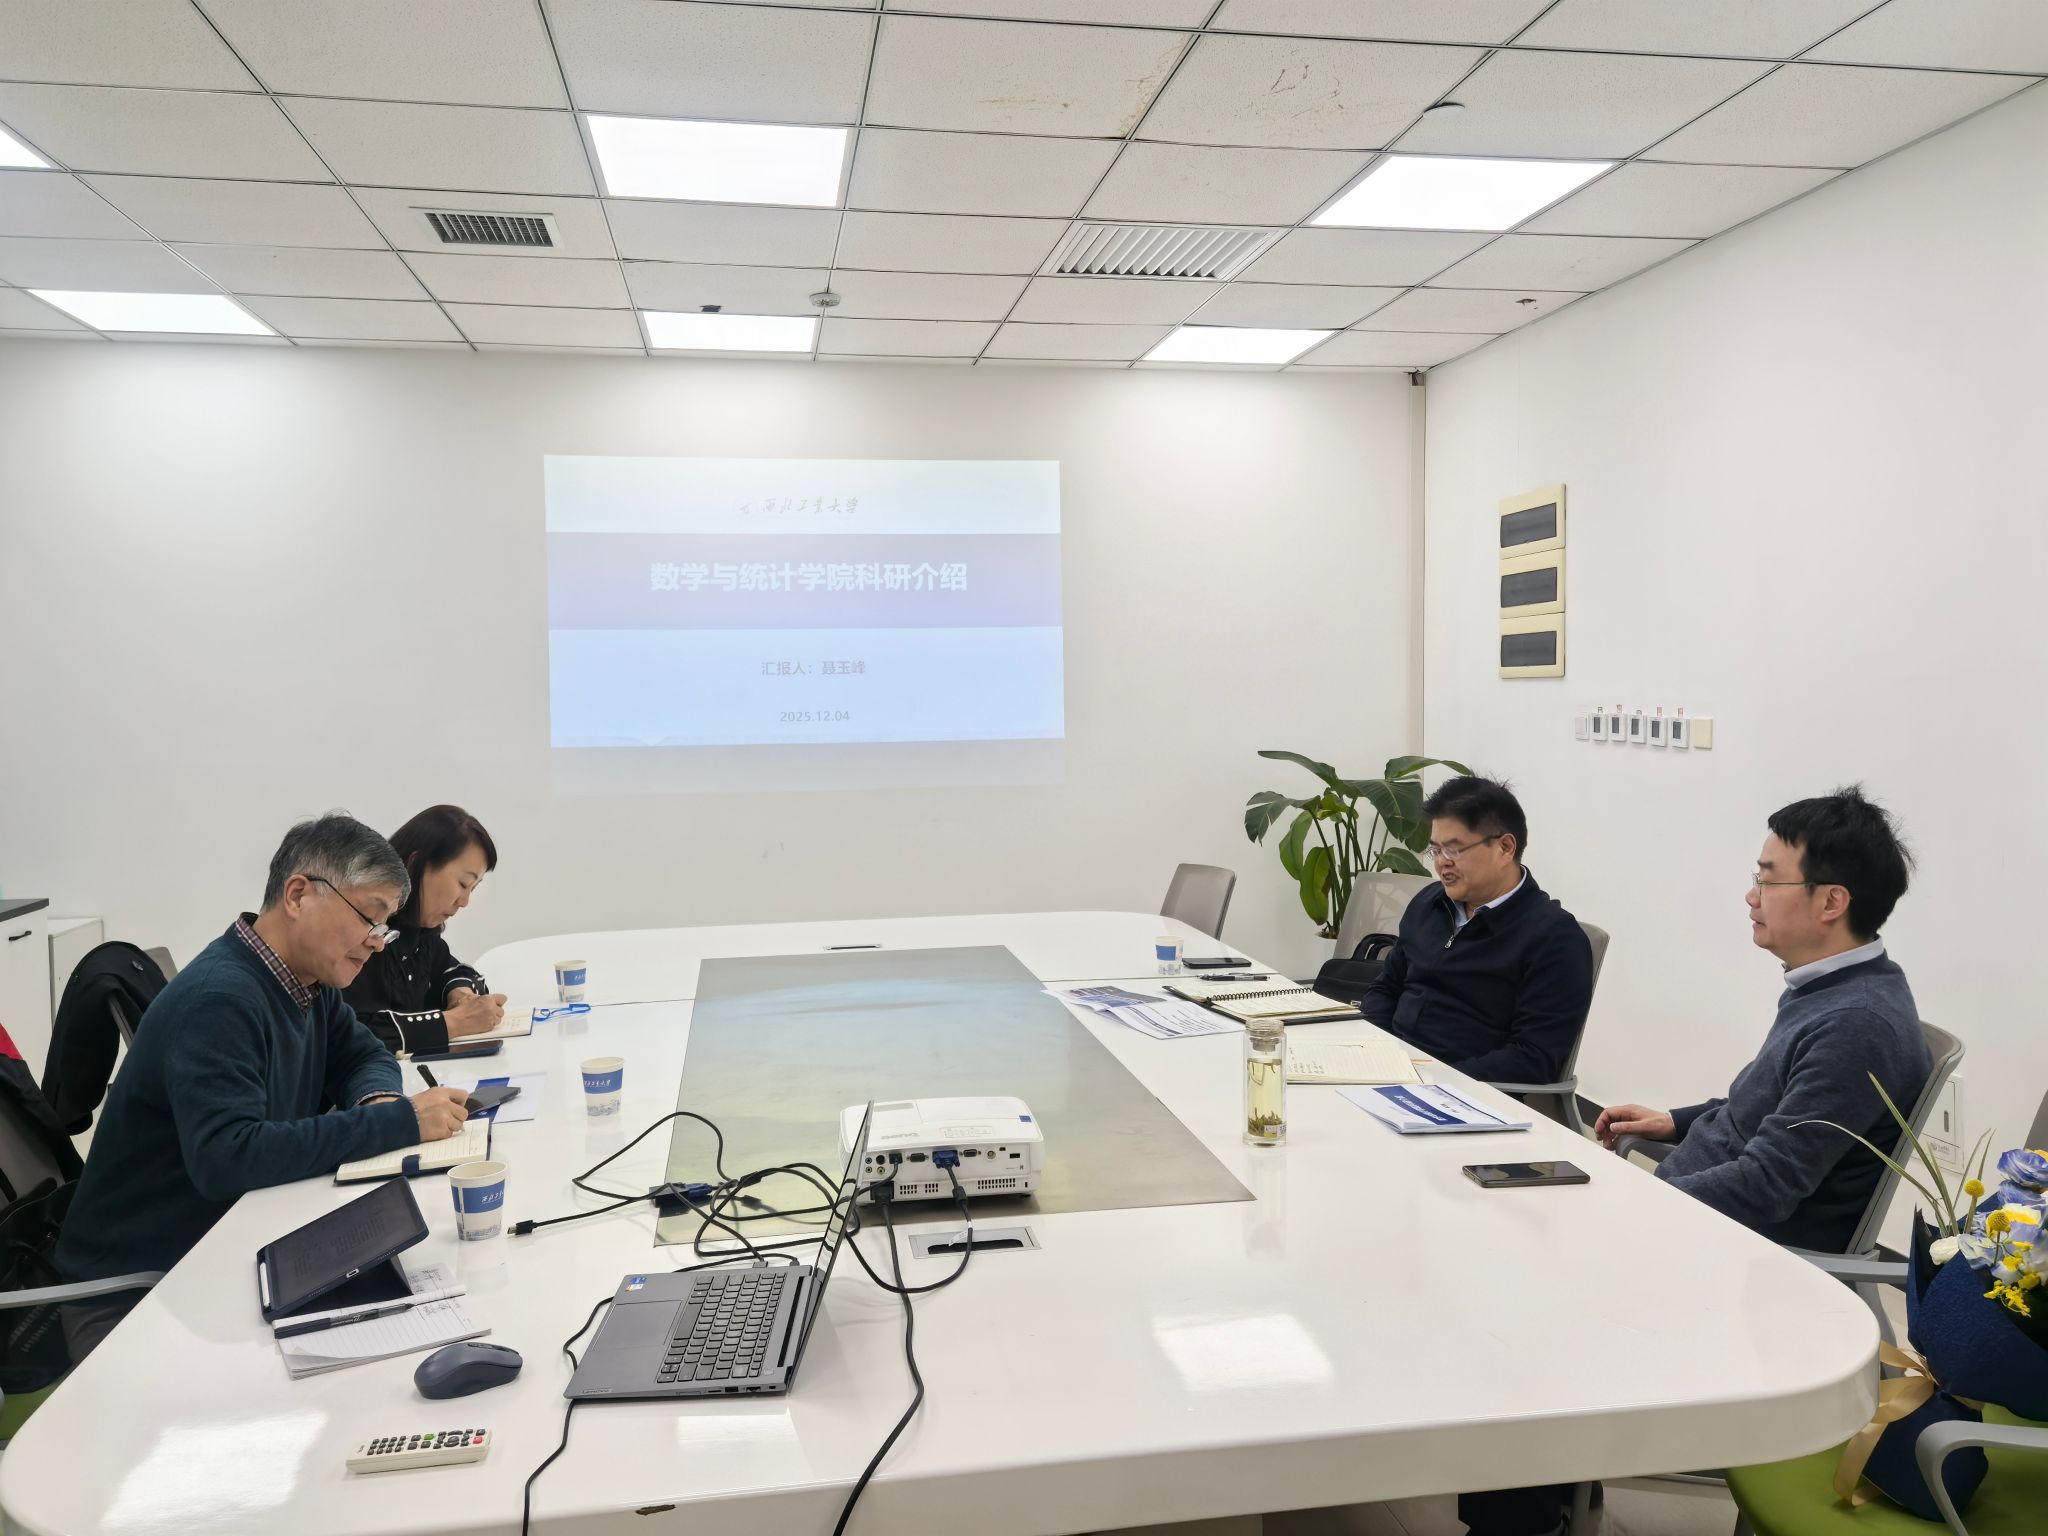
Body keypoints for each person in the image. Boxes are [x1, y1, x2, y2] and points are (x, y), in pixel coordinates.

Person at [54, 813, 473, 1358]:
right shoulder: (220, 999)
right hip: (139, 1294)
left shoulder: (307, 978)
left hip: (228, 1247)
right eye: (370, 918)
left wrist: (379, 1100)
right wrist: (394, 1123)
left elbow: (364, 1053)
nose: (377, 943)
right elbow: (229, 1157)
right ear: (298, 895)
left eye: (385, 926)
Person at [1597, 786, 1930, 1251]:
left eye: (1769, 881)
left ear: (1832, 902)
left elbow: (1766, 1185)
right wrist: (1675, 1121)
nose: (1752, 896)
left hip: (1733, 1248)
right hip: (1692, 1214)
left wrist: (1633, 1200)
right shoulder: (1831, 985)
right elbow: (1767, 1103)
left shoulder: (1857, 1024)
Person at [1359, 775, 1594, 1086]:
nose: (1441, 864)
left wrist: (1433, 1080)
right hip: (1391, 1072)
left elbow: (1533, 1058)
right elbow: (1386, 989)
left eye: (1454, 850)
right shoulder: (1429, 903)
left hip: (1464, 1093)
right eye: (1435, 850)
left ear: (1505, 848)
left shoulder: (1554, 938)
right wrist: (1373, 1051)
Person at [343, 804, 506, 1056]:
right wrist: (455, 1022)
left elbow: (454, 970)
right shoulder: (362, 935)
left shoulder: (419, 934)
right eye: (463, 884)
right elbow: (350, 1034)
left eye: (473, 889)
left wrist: (460, 995)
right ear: (415, 864)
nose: (464, 902)